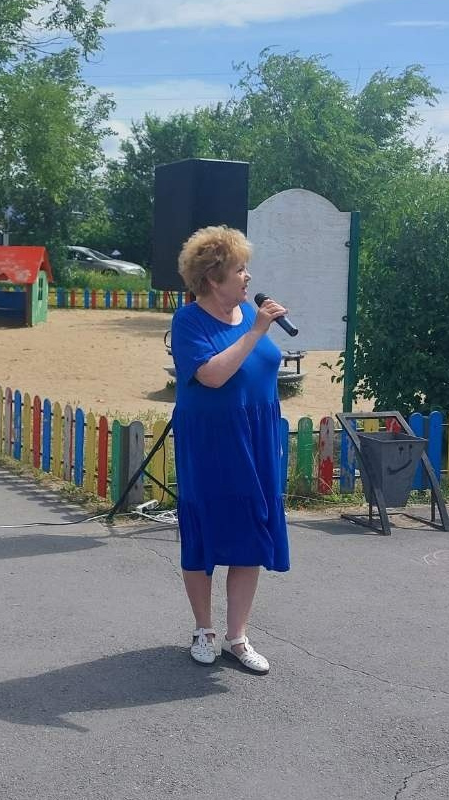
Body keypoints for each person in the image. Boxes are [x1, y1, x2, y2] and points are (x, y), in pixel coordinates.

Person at [169, 225, 290, 675]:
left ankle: (237, 637)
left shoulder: (249, 316)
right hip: (212, 440)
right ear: (212, 278)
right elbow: (213, 375)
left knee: (251, 530)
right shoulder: (189, 321)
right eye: (239, 270)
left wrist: (255, 328)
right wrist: (256, 331)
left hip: (257, 435)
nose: (248, 277)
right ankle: (204, 630)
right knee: (206, 529)